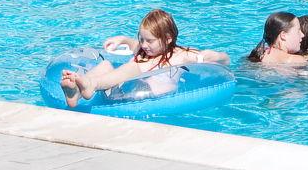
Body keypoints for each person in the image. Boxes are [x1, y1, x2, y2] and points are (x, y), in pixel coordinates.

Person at [63, 9, 224, 107]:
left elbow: (224, 60)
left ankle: (91, 84)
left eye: (150, 41)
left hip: (150, 95)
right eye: (141, 39)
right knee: (106, 65)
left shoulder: (180, 55)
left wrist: (216, 56)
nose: (144, 45)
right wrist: (123, 39)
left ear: (167, 39)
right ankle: (75, 92)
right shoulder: (143, 49)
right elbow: (134, 44)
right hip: (124, 93)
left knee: (134, 67)